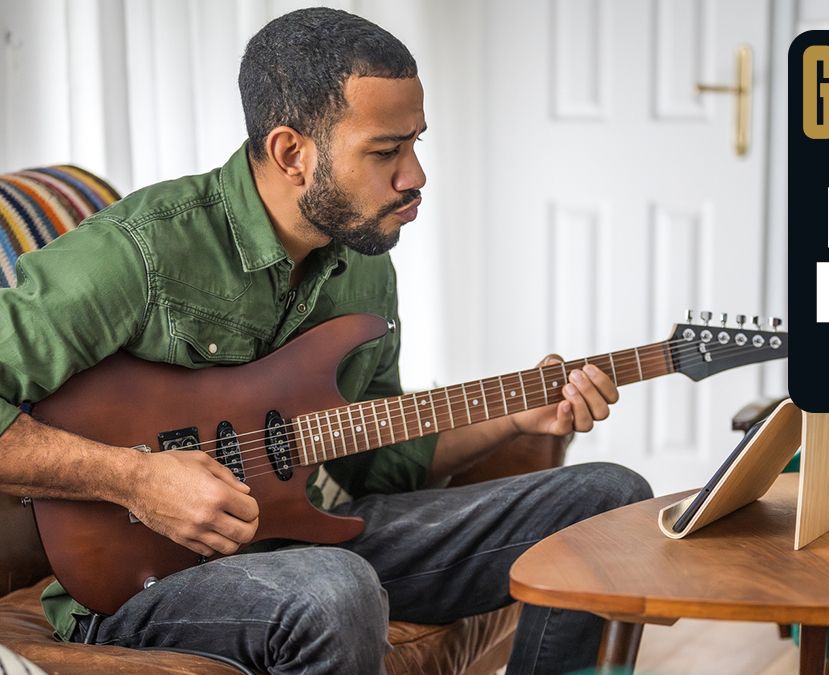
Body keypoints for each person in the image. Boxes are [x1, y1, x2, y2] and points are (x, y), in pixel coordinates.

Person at [0, 7, 651, 674]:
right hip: (144, 584)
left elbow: (378, 467)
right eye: (386, 150)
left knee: (606, 501)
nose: (416, 175)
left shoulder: (365, 261)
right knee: (335, 586)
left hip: (308, 541)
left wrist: (510, 417)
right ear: (292, 153)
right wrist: (136, 479)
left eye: (416, 142)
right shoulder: (140, 251)